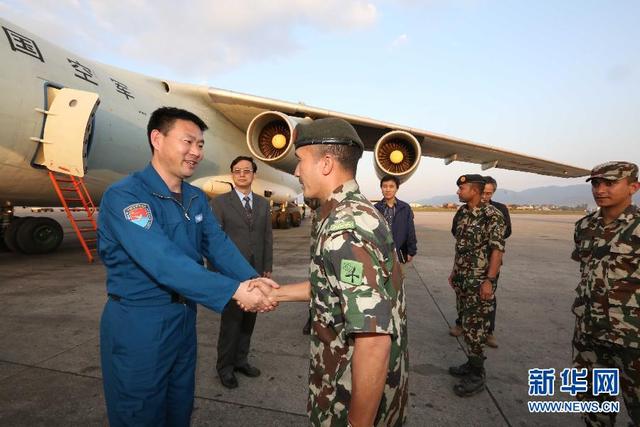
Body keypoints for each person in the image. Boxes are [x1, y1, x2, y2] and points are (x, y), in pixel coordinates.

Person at [97, 107, 277, 426]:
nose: (196, 152)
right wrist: (234, 290)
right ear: (157, 139)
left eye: (201, 144)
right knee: (139, 412)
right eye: (188, 141)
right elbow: (162, 260)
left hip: (183, 320)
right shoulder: (125, 196)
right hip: (140, 322)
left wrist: (252, 281)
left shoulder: (194, 197)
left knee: (179, 406)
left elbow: (218, 244)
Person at [253, 118, 408, 426]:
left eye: (300, 161)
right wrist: (277, 292)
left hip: (348, 399)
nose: (296, 171)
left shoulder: (345, 228)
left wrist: (358, 423)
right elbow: (334, 287)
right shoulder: (350, 212)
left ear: (325, 164)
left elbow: (374, 340)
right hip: (340, 385)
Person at [571, 161, 640, 426]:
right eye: (596, 184)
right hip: (589, 333)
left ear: (633, 187)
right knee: (592, 405)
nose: (600, 189)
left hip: (632, 339)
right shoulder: (584, 226)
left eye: (610, 183)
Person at [211, 156, 273, 389]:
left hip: (256, 272)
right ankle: (225, 367)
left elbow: (267, 237)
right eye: (237, 171)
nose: (242, 174)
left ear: (253, 174)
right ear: (232, 175)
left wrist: (267, 267)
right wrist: (217, 273)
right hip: (230, 273)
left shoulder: (263, 204)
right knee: (231, 323)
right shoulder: (220, 203)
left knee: (249, 319)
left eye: (247, 170)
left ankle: (241, 360)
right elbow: (214, 240)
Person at [448, 174, 506, 397]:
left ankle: (477, 374)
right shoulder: (462, 213)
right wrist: (454, 271)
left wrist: (489, 281)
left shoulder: (492, 215)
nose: (458, 192)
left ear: (474, 190)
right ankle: (471, 365)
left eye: (462, 188)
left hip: (480, 280)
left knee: (477, 328)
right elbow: (460, 246)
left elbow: (497, 250)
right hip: (463, 277)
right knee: (466, 322)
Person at [374, 174, 417, 264]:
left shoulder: (405, 208)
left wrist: (411, 251)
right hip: (380, 256)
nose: (388, 189)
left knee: (398, 278)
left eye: (391, 186)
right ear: (381, 188)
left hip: (400, 253)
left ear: (397, 188)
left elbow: (410, 231)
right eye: (384, 186)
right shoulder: (375, 209)